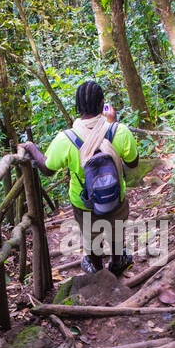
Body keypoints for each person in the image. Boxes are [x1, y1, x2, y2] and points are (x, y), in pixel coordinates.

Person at [20, 80, 140, 275]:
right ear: (102, 104)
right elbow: (133, 163)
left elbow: (48, 169)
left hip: (84, 202)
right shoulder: (120, 131)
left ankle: (96, 266)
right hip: (116, 197)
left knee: (91, 236)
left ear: (77, 106)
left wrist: (31, 147)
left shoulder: (65, 138)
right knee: (117, 231)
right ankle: (118, 262)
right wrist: (113, 124)